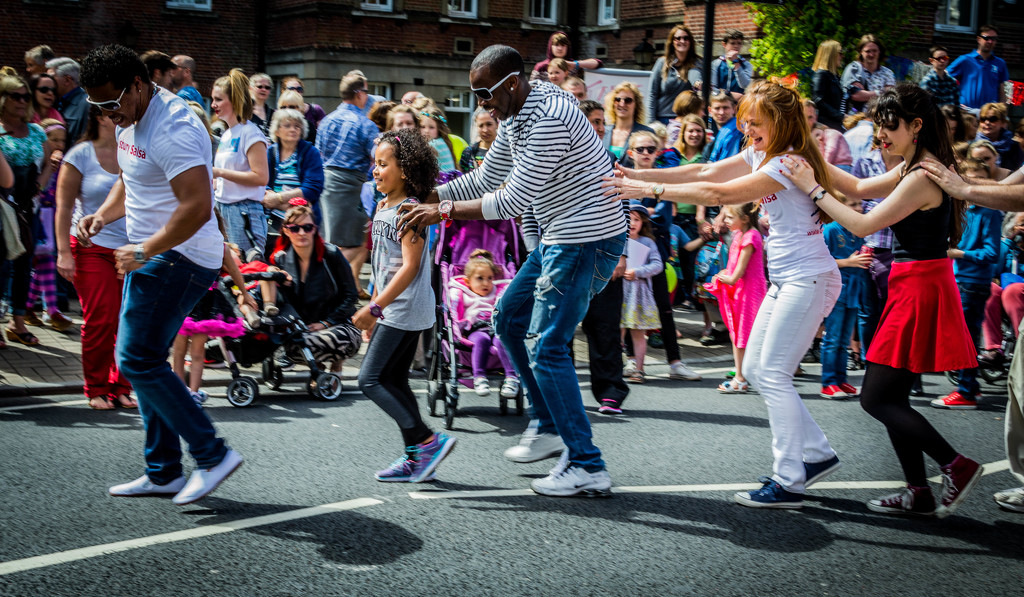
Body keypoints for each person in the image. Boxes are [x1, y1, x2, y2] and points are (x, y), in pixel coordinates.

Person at [398, 45, 627, 497]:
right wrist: (426, 195)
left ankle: (587, 464)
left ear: (512, 83)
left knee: (547, 345)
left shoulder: (548, 119)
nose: (481, 103)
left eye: (485, 93)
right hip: (562, 234)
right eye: (475, 93)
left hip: (585, 238)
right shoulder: (517, 111)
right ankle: (546, 425)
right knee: (507, 318)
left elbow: (508, 201)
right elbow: (486, 178)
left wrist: (439, 212)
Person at [604, 80, 844, 509]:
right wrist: (639, 175)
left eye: (756, 123)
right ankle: (818, 454)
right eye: (745, 121)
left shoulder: (787, 163)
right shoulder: (761, 153)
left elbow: (718, 194)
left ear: (782, 123)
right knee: (753, 368)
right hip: (789, 280)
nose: (747, 129)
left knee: (771, 374)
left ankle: (789, 479)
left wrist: (648, 189)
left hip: (809, 278)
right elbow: (704, 172)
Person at [779, 83, 984, 518]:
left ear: (916, 126)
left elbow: (861, 222)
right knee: (894, 398)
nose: (881, 137)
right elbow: (856, 182)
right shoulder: (916, 165)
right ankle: (919, 492)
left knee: (876, 398)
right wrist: (807, 157)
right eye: (877, 128)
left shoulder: (921, 175)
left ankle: (956, 465)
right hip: (913, 283)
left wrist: (813, 190)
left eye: (889, 127)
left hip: (918, 287)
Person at [79, 44, 242, 506]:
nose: (107, 115)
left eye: (112, 102)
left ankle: (213, 454)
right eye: (97, 107)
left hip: (181, 254)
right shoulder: (130, 117)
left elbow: (196, 207)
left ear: (137, 84)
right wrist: (103, 217)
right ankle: (164, 471)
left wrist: (142, 250)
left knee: (136, 360)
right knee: (143, 357)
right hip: (151, 252)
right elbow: (131, 177)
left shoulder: (173, 127)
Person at [355, 129, 455, 483]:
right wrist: (374, 303)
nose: (376, 171)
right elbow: (384, 265)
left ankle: (426, 440)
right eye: (374, 164)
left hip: (404, 308)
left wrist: (376, 309)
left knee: (369, 380)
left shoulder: (410, 210)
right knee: (393, 379)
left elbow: (412, 266)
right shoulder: (384, 207)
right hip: (393, 309)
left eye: (383, 164)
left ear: (406, 170)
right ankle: (417, 457)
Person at [54, 105, 133, 410]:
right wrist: (63, 253)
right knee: (101, 318)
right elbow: (63, 208)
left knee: (128, 320)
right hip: (90, 249)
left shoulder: (133, 151)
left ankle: (122, 386)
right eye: (113, 110)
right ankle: (97, 387)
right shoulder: (80, 154)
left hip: (131, 251)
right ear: (99, 117)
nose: (122, 115)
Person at [620, 130, 701, 384]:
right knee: (627, 309)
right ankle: (632, 360)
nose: (645, 153)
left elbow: (662, 216)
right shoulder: (622, 178)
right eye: (640, 149)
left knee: (664, 309)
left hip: (656, 252)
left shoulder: (663, 181)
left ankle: (675, 362)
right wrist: (645, 212)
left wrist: (640, 213)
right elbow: (625, 213)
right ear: (631, 153)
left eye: (650, 149)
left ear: (657, 152)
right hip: (625, 254)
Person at [931, 160, 1002, 410]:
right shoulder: (962, 208)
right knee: (964, 336)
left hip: (973, 284)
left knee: (966, 338)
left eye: (977, 180)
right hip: (959, 281)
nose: (970, 184)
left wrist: (959, 254)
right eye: (967, 179)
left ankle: (966, 391)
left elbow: (992, 253)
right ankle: (970, 387)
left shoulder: (990, 212)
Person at [576, 98, 631, 418]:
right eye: (592, 121)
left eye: (601, 122)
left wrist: (621, 255)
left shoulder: (612, 160)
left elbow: (623, 209)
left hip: (604, 255)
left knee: (604, 327)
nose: (598, 127)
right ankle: (562, 390)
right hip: (566, 254)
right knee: (560, 329)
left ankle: (611, 391)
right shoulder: (558, 160)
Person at [271, 203, 362, 371]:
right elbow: (285, 303)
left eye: (307, 227)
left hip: (340, 324)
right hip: (305, 328)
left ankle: (336, 366)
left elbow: (351, 295)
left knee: (323, 340)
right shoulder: (281, 260)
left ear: (315, 229)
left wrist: (327, 323)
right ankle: (318, 369)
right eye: (295, 229)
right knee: (293, 344)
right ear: (285, 230)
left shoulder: (331, 254)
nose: (302, 233)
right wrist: (285, 287)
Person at [0, 69, 50, 347]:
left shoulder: (36, 130)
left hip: (25, 206)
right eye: (15, 95)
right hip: (2, 204)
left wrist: (39, 187)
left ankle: (17, 322)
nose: (22, 100)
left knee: (22, 265)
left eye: (25, 96)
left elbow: (44, 167)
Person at [172, 240, 255, 405]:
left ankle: (193, 393)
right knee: (179, 351)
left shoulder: (218, 245)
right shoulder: (182, 240)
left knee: (195, 352)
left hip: (203, 302)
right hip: (183, 299)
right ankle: (181, 393)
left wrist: (244, 293)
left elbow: (234, 268)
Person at [315, 72, 378, 285]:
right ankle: (322, 279)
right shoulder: (364, 124)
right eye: (367, 92)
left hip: (327, 182)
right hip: (351, 185)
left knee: (336, 241)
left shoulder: (326, 121)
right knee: (353, 243)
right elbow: (378, 156)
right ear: (359, 93)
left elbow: (318, 153)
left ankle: (338, 285)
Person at [704, 202, 765, 394]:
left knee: (742, 335)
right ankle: (742, 374)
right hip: (740, 290)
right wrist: (723, 273)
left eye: (730, 217)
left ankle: (741, 378)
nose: (726, 221)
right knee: (736, 333)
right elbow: (733, 268)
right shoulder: (739, 234)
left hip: (749, 291)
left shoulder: (751, 236)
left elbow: (737, 273)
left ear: (745, 218)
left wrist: (724, 277)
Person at [211, 69, 270, 257]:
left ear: (234, 100)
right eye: (213, 99)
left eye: (219, 99)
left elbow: (261, 177)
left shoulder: (250, 133)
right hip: (223, 210)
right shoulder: (227, 134)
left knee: (249, 272)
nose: (213, 105)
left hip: (244, 212)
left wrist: (219, 173)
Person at [23, 119, 74, 332]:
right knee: (43, 261)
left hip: (52, 217)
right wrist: (49, 168)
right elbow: (38, 189)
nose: (59, 145)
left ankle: (31, 307)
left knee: (44, 262)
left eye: (62, 141)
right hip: (36, 216)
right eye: (54, 140)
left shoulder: (63, 163)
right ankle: (50, 310)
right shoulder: (37, 160)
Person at [448, 249, 519, 397]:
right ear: (468, 281)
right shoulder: (463, 293)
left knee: (502, 340)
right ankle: (479, 377)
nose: (486, 283)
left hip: (495, 327)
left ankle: (512, 377)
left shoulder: (498, 292)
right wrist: (460, 325)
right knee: (482, 340)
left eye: (490, 278)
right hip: (475, 329)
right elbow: (456, 313)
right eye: (480, 278)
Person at [818, 196, 870, 399]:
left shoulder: (859, 229)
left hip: (854, 291)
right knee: (833, 337)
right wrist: (848, 262)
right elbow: (820, 261)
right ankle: (828, 382)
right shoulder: (831, 229)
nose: (859, 207)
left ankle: (841, 380)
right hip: (836, 290)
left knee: (844, 339)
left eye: (859, 204)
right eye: (853, 204)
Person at [620, 204, 662, 390]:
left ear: (643, 223)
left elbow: (657, 265)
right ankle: (616, 367)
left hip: (638, 294)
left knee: (638, 333)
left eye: (637, 219)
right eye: (630, 219)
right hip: (619, 293)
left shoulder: (647, 243)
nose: (633, 223)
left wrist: (638, 272)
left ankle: (639, 369)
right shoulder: (617, 241)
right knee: (616, 333)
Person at [263, 108, 325, 225]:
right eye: (287, 126)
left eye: (297, 126)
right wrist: (271, 197)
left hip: (302, 219)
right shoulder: (270, 152)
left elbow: (312, 188)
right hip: (271, 219)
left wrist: (278, 199)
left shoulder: (310, 152)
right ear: (277, 131)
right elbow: (261, 183)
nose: (293, 129)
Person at [648, 24, 701, 125]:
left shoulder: (697, 62)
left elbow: (696, 76)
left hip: (686, 120)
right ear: (672, 42)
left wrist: (698, 83)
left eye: (686, 38)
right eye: (678, 38)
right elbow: (652, 94)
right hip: (662, 119)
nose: (682, 41)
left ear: (690, 42)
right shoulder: (662, 63)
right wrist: (651, 122)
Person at [947, 24, 1009, 110]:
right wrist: (954, 102)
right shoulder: (965, 60)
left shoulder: (1000, 63)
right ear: (979, 39)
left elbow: (1003, 91)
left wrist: (1002, 110)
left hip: (990, 115)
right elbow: (944, 78)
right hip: (967, 113)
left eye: (993, 39)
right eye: (986, 38)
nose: (990, 41)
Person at [841, 34, 895, 115]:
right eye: (868, 51)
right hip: (855, 118)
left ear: (879, 51)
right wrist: (881, 92)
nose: (871, 54)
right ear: (861, 52)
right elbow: (855, 95)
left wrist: (866, 94)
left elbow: (890, 98)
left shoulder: (888, 73)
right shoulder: (854, 69)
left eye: (874, 51)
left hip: (879, 119)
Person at [603, 81, 653, 164]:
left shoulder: (646, 133)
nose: (622, 104)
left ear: (636, 105)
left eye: (628, 100)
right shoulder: (602, 132)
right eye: (617, 100)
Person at [530, 31, 602, 83]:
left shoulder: (573, 65)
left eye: (563, 45)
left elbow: (598, 63)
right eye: (556, 45)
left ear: (568, 47)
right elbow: (531, 88)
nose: (560, 48)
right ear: (550, 47)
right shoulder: (541, 66)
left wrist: (575, 64)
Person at [46, 57, 88, 146]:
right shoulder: (52, 102)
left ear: (67, 80)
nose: (48, 82)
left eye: (52, 78)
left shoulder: (86, 105)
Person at [975, 103, 1023, 172]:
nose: (987, 122)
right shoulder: (973, 145)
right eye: (983, 119)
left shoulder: (1014, 147)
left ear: (1003, 122)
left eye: (992, 119)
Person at [811, 40, 846, 131]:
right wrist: (840, 116)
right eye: (840, 52)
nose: (842, 56)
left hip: (836, 125)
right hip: (826, 126)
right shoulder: (821, 74)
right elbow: (817, 100)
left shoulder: (834, 76)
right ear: (831, 54)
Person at [710, 30, 752, 102]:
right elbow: (713, 87)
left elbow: (745, 85)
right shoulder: (716, 64)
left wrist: (736, 63)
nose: (736, 46)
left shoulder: (746, 64)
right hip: (720, 102)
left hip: (738, 103)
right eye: (732, 43)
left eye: (739, 43)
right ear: (724, 45)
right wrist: (729, 95)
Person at [281, 77, 326, 142]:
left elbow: (324, 134)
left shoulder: (315, 110)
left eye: (299, 89)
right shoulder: (277, 113)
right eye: (291, 89)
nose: (295, 91)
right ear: (283, 91)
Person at [419, 106, 458, 172]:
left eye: (431, 127)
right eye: (422, 127)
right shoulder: (442, 141)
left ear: (439, 129)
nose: (426, 131)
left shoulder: (434, 144)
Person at [460, 108, 497, 172]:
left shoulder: (507, 151)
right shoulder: (468, 153)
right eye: (481, 126)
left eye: (489, 124)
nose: (485, 130)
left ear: (497, 124)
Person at [249, 72, 275, 137]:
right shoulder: (243, 110)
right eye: (260, 87)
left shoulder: (273, 114)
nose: (264, 90)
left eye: (267, 87)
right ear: (251, 88)